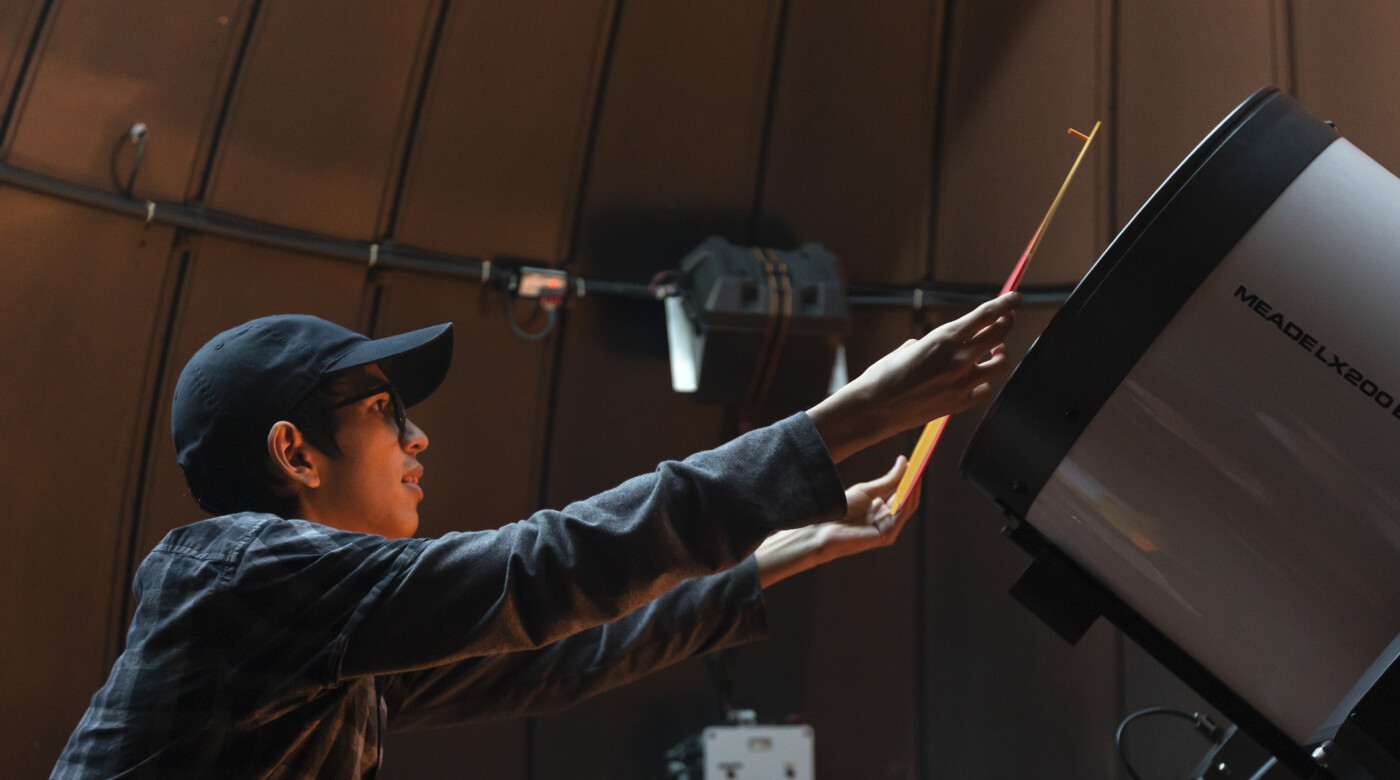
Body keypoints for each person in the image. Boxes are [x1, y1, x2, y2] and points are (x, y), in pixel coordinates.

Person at [52, 292, 1020, 778]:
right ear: (295, 454)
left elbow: (561, 654)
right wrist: (844, 418)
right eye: (386, 411)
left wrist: (782, 549)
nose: (417, 436)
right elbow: (545, 569)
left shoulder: (318, 642)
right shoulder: (235, 574)